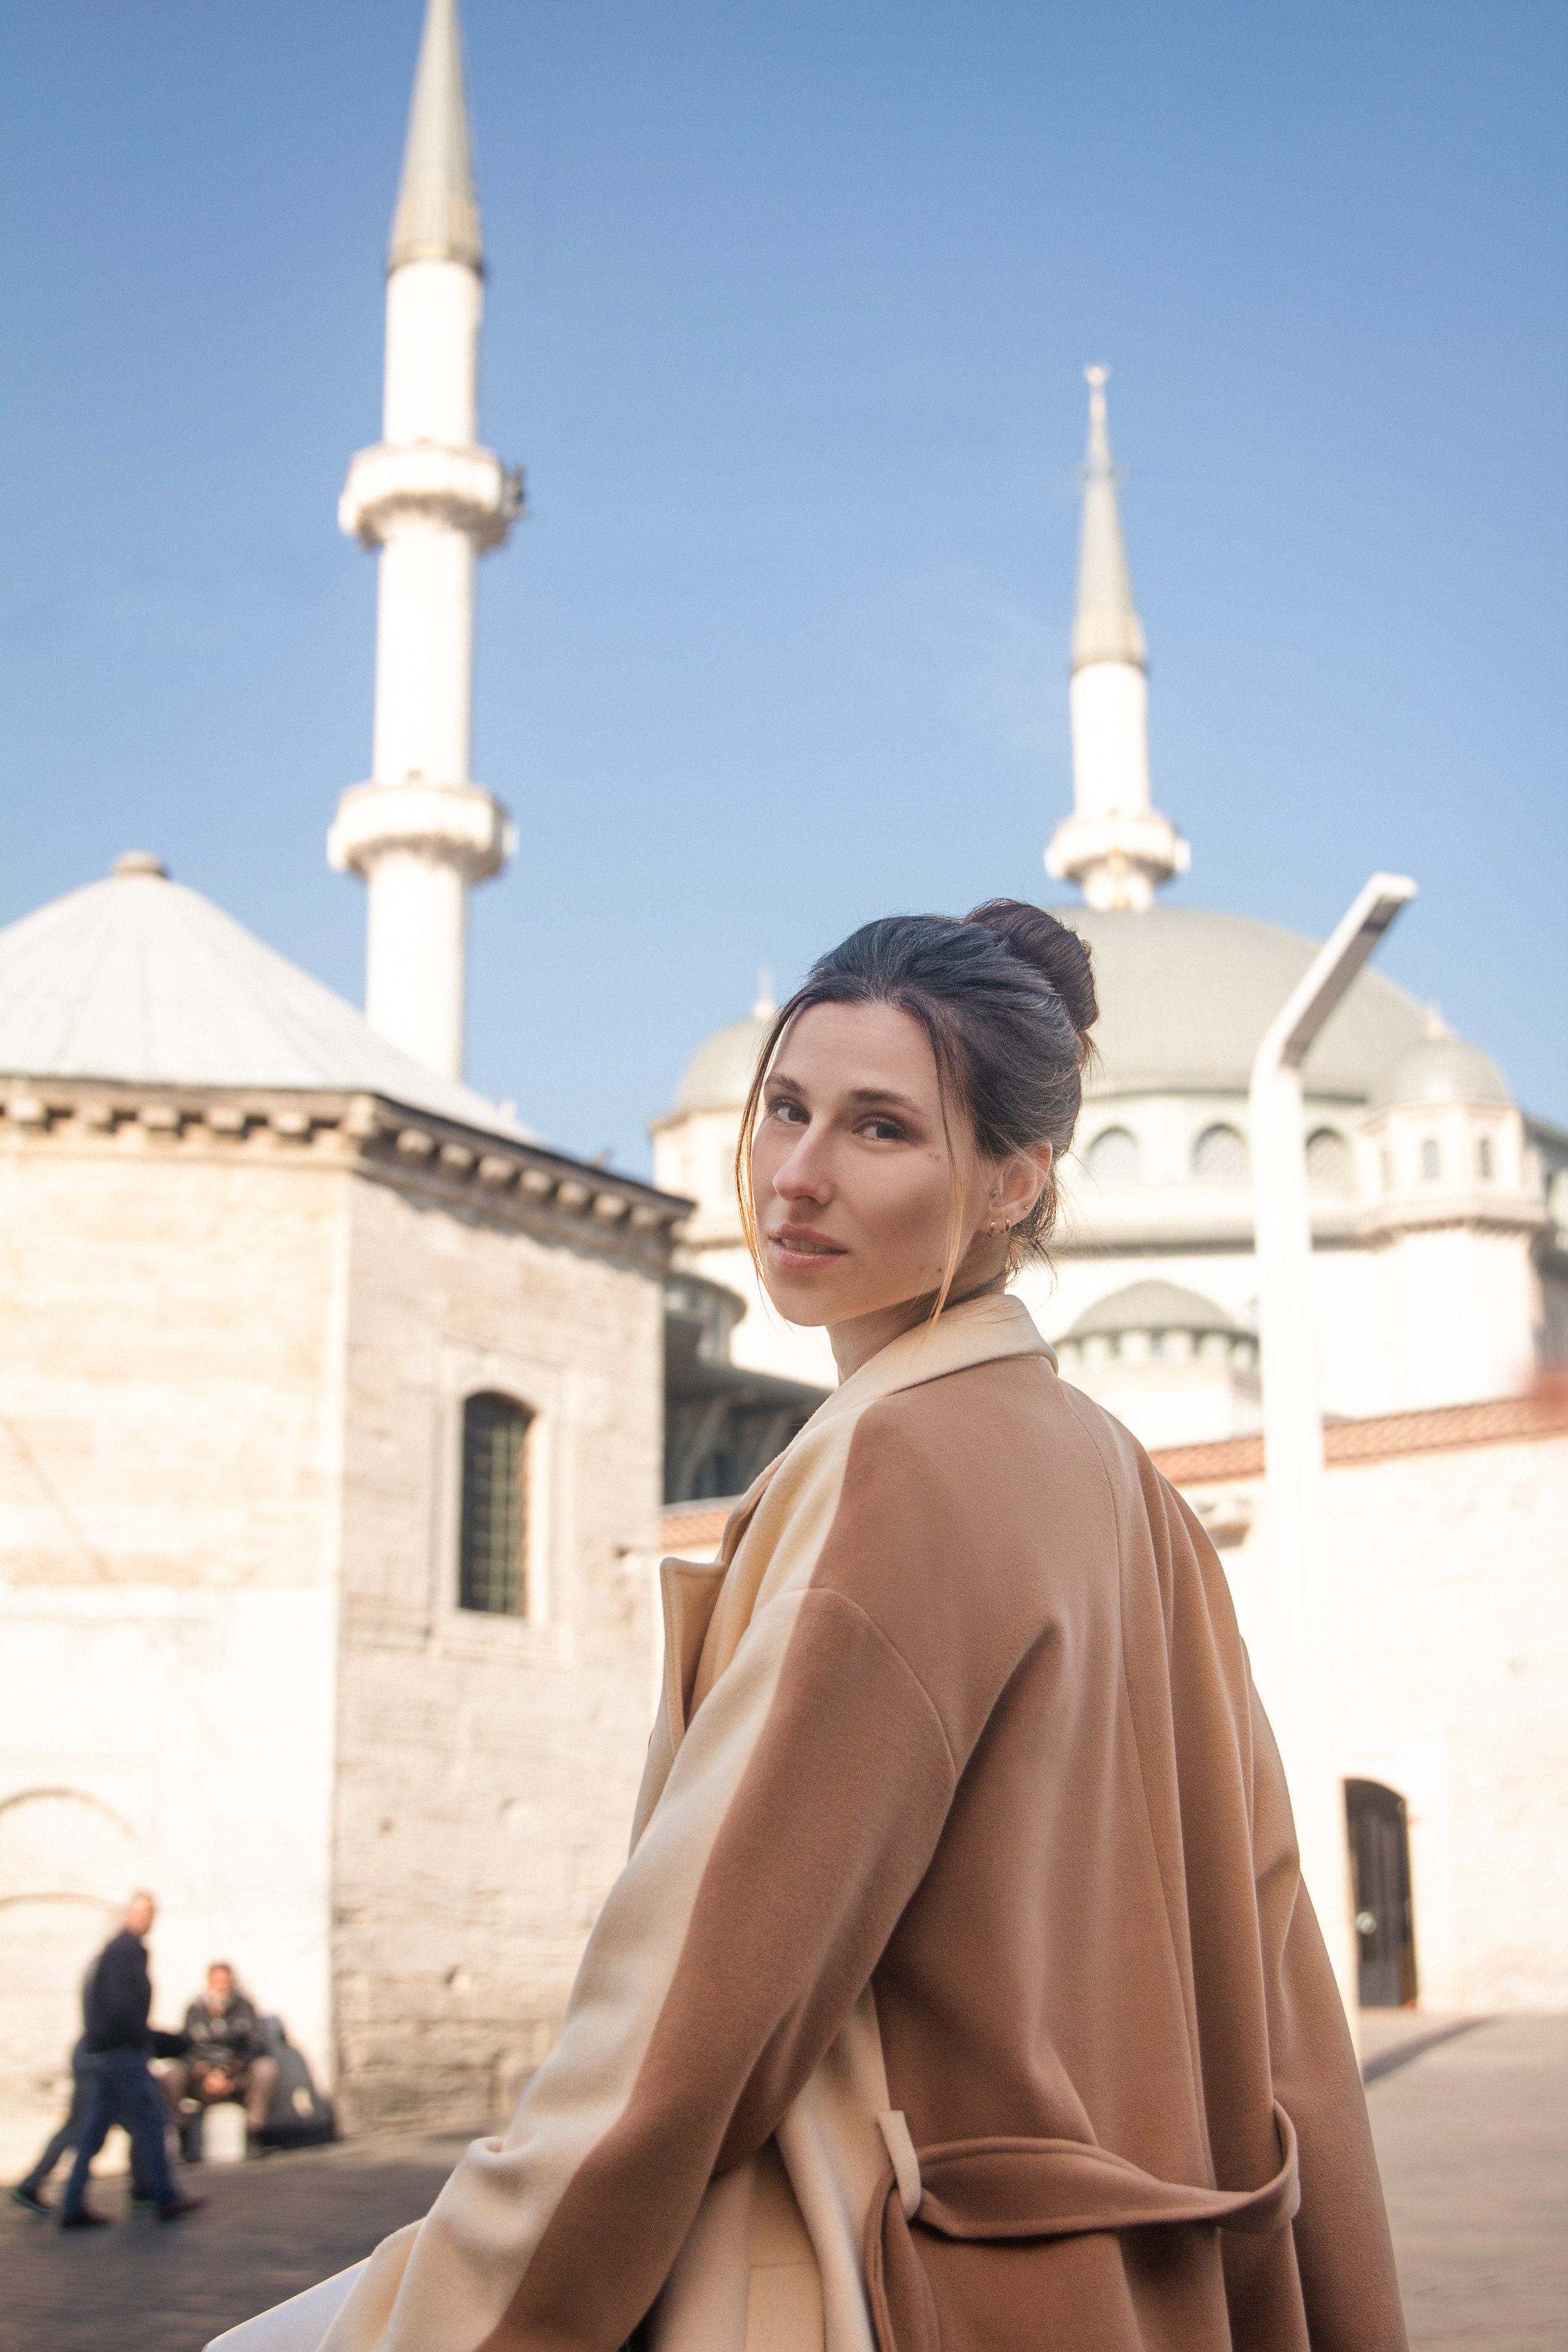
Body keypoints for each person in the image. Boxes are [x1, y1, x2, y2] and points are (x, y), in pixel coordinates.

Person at [227, 903, 1406, 2350]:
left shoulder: (894, 1464)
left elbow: (688, 2028)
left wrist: (449, 2320)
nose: (793, 1175)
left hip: (897, 2288)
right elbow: (1282, 1993)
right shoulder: (1118, 1478)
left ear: (1010, 1181)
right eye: (783, 1107)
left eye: (878, 1129)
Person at [58, 1891, 203, 2228]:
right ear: (129, 1915)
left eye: (151, 1913)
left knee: (94, 2131)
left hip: (110, 2050)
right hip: (121, 2053)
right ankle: (164, 2194)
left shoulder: (119, 1952)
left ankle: (72, 2203)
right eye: (143, 1913)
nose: (148, 1919)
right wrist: (158, 2041)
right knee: (152, 2121)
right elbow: (124, 2013)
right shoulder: (124, 1953)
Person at [9, 2031, 159, 2215]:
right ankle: (35, 2187)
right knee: (84, 2128)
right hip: (104, 2054)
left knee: (133, 2124)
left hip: (102, 2053)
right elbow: (121, 2021)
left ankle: (143, 2187)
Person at [161, 1963, 279, 2159]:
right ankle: (182, 2135)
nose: (221, 1987)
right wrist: (207, 2073)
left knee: (267, 2068)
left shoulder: (245, 2008)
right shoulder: (195, 2011)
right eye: (216, 1982)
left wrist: (227, 2072)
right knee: (171, 2075)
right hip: (203, 2080)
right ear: (208, 1984)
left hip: (236, 2078)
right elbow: (186, 2049)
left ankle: (254, 2135)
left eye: (225, 1982)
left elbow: (258, 2046)